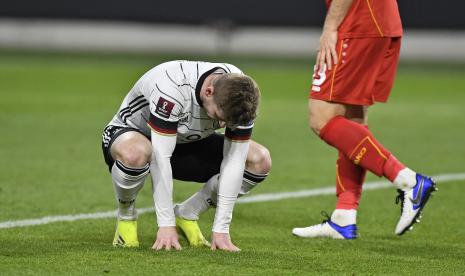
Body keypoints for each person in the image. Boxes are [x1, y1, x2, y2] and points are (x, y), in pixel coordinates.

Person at [292, 0, 437, 239]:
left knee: (321, 118)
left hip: (360, 23)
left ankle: (409, 181)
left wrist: (330, 29)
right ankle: (343, 217)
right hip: (378, 21)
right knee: (352, 117)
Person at [101, 60, 271, 251]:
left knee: (259, 160)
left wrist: (221, 229)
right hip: (138, 136)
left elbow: (235, 162)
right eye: (220, 117)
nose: (223, 125)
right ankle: (126, 216)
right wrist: (166, 225)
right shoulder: (171, 86)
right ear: (209, 92)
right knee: (135, 154)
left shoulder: (242, 95)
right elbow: (160, 158)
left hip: (189, 141)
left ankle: (188, 213)